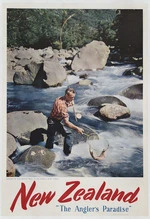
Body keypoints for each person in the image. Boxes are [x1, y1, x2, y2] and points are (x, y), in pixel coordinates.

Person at [45, 88, 84, 156]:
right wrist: (77, 128)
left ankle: (48, 149)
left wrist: (70, 103)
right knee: (68, 134)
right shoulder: (63, 107)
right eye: (71, 97)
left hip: (52, 119)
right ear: (66, 95)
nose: (73, 99)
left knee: (51, 136)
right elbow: (66, 122)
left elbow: (65, 103)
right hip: (54, 122)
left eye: (74, 97)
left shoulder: (60, 98)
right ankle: (67, 154)